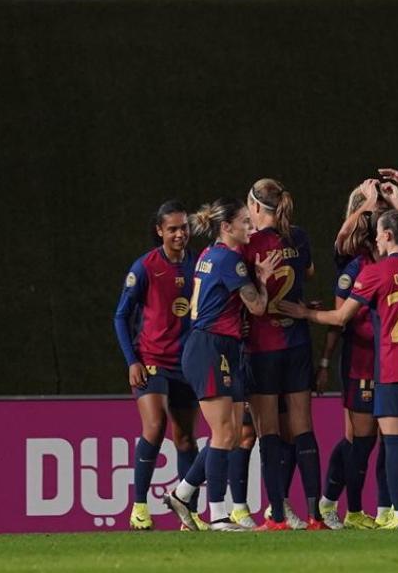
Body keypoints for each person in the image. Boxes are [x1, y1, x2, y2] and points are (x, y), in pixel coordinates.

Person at [282, 209, 398, 529]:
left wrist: (304, 313)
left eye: (378, 234)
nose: (375, 239)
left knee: (395, 440)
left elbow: (341, 318)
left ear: (386, 236)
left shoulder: (376, 272)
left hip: (395, 367)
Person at [163, 198, 281, 531]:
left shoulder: (209, 255)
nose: (250, 226)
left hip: (219, 346)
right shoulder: (231, 260)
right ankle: (217, 515)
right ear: (226, 228)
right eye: (245, 221)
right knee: (224, 432)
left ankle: (183, 494)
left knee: (229, 434)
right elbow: (257, 307)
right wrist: (263, 279)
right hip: (210, 347)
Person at [241, 178, 327, 530]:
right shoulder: (299, 237)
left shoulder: (249, 244)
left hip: (263, 346)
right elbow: (306, 271)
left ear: (256, 207)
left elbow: (244, 293)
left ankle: (276, 515)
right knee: (303, 427)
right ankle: (315, 515)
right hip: (298, 343)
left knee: (269, 432)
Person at [113, 201, 204, 531]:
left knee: (185, 438)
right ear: (160, 231)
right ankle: (139, 507)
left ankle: (187, 515)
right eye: (173, 229)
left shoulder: (199, 264)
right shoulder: (145, 267)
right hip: (150, 360)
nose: (180, 234)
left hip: (186, 364)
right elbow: (121, 316)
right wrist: (131, 361)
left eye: (184, 228)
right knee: (154, 427)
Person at [315, 209, 381, 529]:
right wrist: (326, 361)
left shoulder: (397, 264)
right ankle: (348, 509)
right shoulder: (355, 268)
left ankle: (331, 501)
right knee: (362, 440)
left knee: (370, 439)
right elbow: (338, 321)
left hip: (391, 364)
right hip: (361, 362)